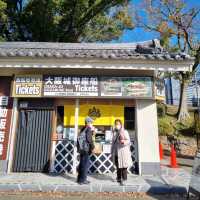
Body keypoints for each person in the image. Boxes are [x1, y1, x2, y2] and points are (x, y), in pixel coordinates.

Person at [111, 119, 132, 186]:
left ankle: (124, 179)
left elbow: (128, 141)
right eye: (116, 124)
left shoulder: (124, 131)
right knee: (118, 166)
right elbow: (113, 142)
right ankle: (119, 178)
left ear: (121, 125)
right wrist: (111, 151)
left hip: (123, 151)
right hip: (116, 151)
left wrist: (124, 142)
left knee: (123, 166)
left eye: (118, 124)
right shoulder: (115, 132)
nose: (117, 125)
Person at [77, 116, 95, 185]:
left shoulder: (83, 128)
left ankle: (79, 179)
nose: (92, 124)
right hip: (86, 149)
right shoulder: (88, 129)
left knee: (81, 164)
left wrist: (92, 132)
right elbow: (89, 139)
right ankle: (83, 180)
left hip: (82, 149)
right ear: (88, 122)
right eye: (91, 122)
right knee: (85, 165)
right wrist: (93, 147)